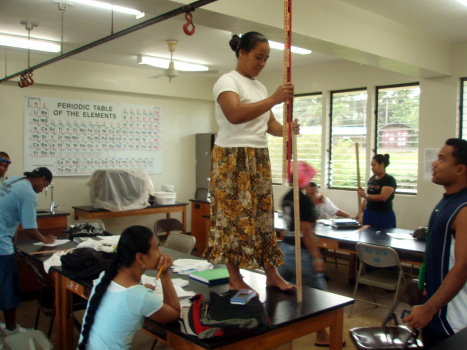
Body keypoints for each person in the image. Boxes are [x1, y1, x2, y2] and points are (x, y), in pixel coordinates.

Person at [203, 31, 298, 292]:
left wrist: (287, 129)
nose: (262, 63)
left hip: (258, 156)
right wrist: (274, 99)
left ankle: (272, 274)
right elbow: (233, 114)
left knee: (263, 218)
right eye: (258, 56)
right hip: (232, 158)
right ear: (241, 53)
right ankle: (235, 278)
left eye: (266, 59)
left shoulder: (260, 87)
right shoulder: (227, 81)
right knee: (234, 219)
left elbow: (270, 125)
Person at [403, 138, 467, 348]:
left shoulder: (464, 208)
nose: (434, 163)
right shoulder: (447, 201)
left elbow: (463, 266)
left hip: (456, 320)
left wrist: (430, 307)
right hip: (437, 311)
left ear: (460, 169)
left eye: (441, 158)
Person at [78, 225, 180, 350]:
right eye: (156, 248)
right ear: (140, 258)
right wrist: (165, 274)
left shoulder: (106, 276)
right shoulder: (139, 296)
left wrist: (141, 289)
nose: (160, 253)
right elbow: (174, 313)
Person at [279, 161, 344, 347]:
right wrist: (316, 256)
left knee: (284, 294)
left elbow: (290, 227)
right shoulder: (304, 201)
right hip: (302, 255)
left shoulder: (286, 198)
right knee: (319, 297)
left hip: (286, 251)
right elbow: (307, 233)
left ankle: (282, 332)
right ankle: (322, 335)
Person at [0, 167, 56, 335]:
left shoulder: (14, 180)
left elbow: (7, 208)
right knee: (8, 287)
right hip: (1, 245)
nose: (42, 189)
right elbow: (31, 229)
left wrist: (13, 231)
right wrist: (46, 240)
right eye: (45, 185)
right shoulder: (28, 194)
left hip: (5, 236)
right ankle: (11, 329)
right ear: (43, 179)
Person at [357, 153, 397, 228]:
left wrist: (365, 195)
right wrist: (359, 215)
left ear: (382, 164)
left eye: (374, 165)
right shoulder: (372, 179)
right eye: (371, 166)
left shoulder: (389, 180)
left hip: (383, 215)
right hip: (369, 214)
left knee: (381, 238)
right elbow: (366, 199)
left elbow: (383, 197)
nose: (372, 168)